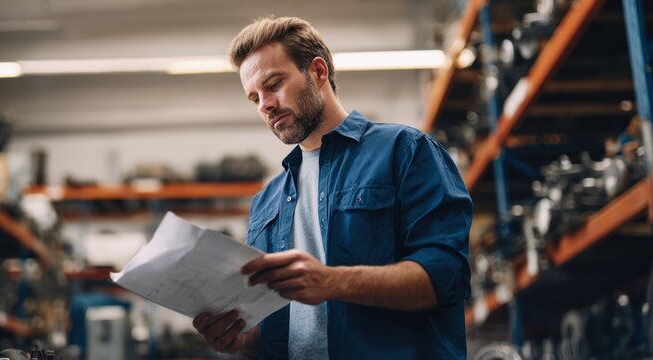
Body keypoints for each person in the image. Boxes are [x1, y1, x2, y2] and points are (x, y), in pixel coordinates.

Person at [192, 16, 473, 359]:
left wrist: (332, 281)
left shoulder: (405, 151)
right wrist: (240, 338)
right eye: (254, 98)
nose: (265, 104)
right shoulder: (267, 201)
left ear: (318, 72)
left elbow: (445, 275)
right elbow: (278, 327)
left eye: (274, 83)